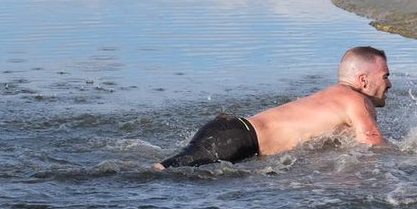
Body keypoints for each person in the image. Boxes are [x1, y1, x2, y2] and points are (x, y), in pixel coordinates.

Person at [155, 46, 392, 169]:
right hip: (237, 140)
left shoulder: (335, 97)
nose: (389, 83)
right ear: (363, 80)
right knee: (161, 174)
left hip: (233, 134)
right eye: (385, 76)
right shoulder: (356, 100)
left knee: (170, 171)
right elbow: (372, 146)